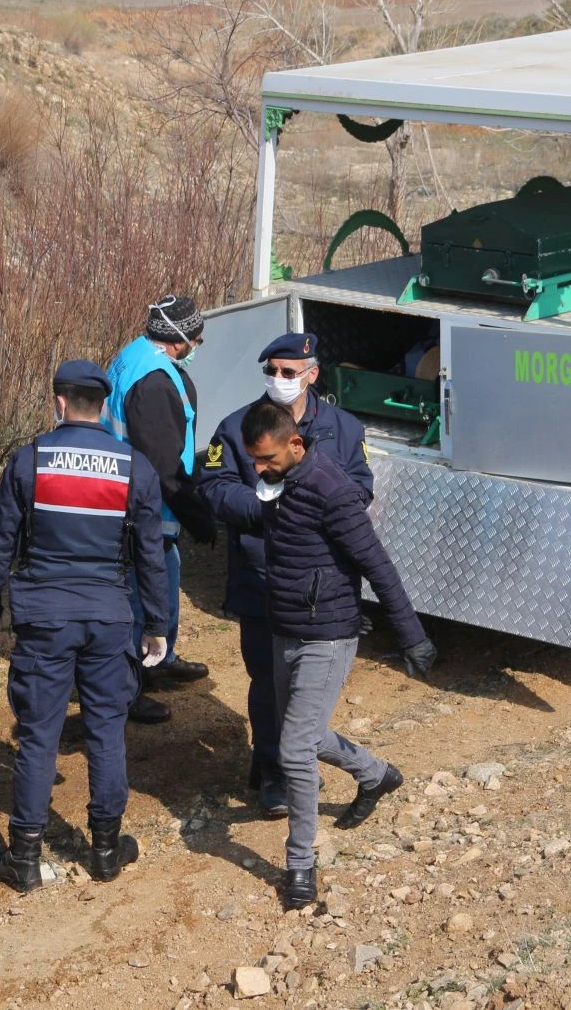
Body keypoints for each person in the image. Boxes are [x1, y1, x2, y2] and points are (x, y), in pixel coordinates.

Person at [0, 360, 169, 893]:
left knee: (39, 737)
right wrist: (156, 624)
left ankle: (25, 857)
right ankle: (106, 850)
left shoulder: (30, 460)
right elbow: (150, 555)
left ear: (59, 402)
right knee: (107, 731)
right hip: (109, 616)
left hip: (43, 617)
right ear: (103, 406)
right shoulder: (134, 466)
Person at [240, 399, 437, 911]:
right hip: (285, 628)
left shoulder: (333, 491)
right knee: (299, 735)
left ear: (296, 445)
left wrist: (410, 635)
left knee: (295, 749)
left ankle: (300, 863)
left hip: (327, 635)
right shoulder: (279, 485)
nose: (259, 471)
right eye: (254, 461)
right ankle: (376, 774)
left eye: (267, 461)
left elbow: (376, 562)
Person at [197, 333, 372, 818]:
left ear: (312, 374)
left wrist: (323, 510)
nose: (279, 380)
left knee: (308, 686)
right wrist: (265, 508)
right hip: (263, 577)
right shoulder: (238, 427)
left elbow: (361, 487)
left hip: (322, 585)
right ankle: (274, 771)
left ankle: (295, 763)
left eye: (289, 372)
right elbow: (213, 488)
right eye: (272, 371)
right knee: (268, 679)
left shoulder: (343, 427)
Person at [104, 295, 216, 725]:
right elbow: (163, 468)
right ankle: (127, 690)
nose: (199, 341)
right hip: (141, 511)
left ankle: (161, 657)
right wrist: (198, 516)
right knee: (139, 600)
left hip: (139, 505)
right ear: (180, 338)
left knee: (163, 587)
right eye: (196, 335)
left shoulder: (134, 355)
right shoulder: (153, 384)